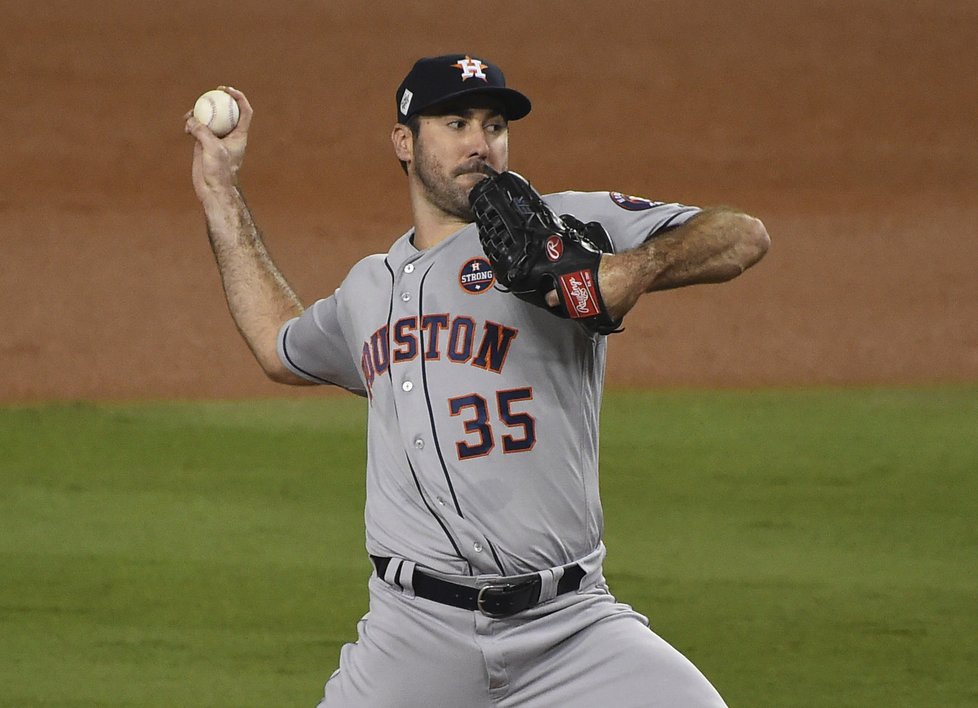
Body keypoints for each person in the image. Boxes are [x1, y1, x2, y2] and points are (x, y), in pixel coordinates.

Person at [185, 54, 769, 708]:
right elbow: (278, 345)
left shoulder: (561, 228)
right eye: (456, 122)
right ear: (405, 143)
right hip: (412, 636)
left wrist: (616, 276)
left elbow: (739, 236)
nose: (480, 142)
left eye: (494, 125)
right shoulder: (367, 291)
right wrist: (220, 190)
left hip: (571, 629)